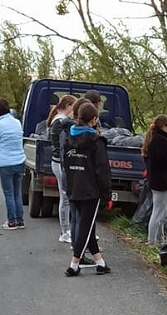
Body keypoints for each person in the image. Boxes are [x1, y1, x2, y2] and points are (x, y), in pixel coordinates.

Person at [62, 102, 113, 277]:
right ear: (94, 119)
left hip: (73, 187)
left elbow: (65, 164)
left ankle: (100, 262)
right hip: (91, 191)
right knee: (86, 225)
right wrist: (106, 194)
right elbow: (102, 170)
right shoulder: (96, 142)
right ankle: (74, 264)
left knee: (88, 226)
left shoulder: (69, 138)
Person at [0, 98, 27, 229]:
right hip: (20, 160)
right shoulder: (17, 122)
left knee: (9, 194)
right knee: (17, 193)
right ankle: (20, 220)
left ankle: (11, 221)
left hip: (6, 163)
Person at [142, 114, 167, 247]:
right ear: (163, 127)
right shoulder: (161, 141)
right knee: (159, 211)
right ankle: (152, 240)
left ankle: (159, 239)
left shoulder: (154, 140)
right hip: (162, 181)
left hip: (155, 180)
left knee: (160, 211)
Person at [48, 94, 77, 243]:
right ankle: (65, 231)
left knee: (66, 197)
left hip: (58, 162)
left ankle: (69, 230)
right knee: (64, 198)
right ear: (67, 106)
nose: (74, 110)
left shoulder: (58, 120)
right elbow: (62, 144)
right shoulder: (60, 122)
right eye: (73, 106)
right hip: (59, 163)